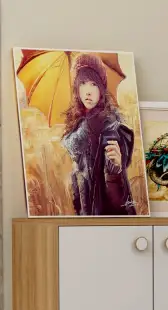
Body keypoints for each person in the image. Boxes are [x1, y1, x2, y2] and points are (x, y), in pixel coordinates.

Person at [62, 53, 137, 215]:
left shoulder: (110, 126)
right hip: (86, 213)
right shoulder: (78, 125)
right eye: (82, 83)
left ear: (101, 89)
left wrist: (115, 168)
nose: (88, 91)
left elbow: (115, 189)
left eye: (93, 84)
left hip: (107, 215)